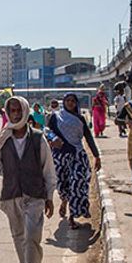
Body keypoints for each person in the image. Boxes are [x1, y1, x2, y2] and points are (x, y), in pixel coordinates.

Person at [0, 96, 55, 263]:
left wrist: (50, 197)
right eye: (11, 111)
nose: (15, 114)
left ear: (24, 111)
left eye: (17, 110)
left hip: (35, 194)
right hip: (12, 194)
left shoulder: (38, 138)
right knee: (18, 236)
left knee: (32, 236)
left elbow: (48, 170)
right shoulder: (3, 140)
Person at [46, 92, 101, 229]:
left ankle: (72, 216)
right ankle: (64, 201)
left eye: (73, 101)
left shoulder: (80, 119)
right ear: (64, 102)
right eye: (68, 100)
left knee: (76, 185)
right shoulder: (55, 117)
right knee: (62, 184)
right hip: (59, 157)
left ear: (76, 103)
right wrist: (53, 139)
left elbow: (88, 137)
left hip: (77, 156)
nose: (70, 103)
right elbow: (46, 130)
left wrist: (96, 156)